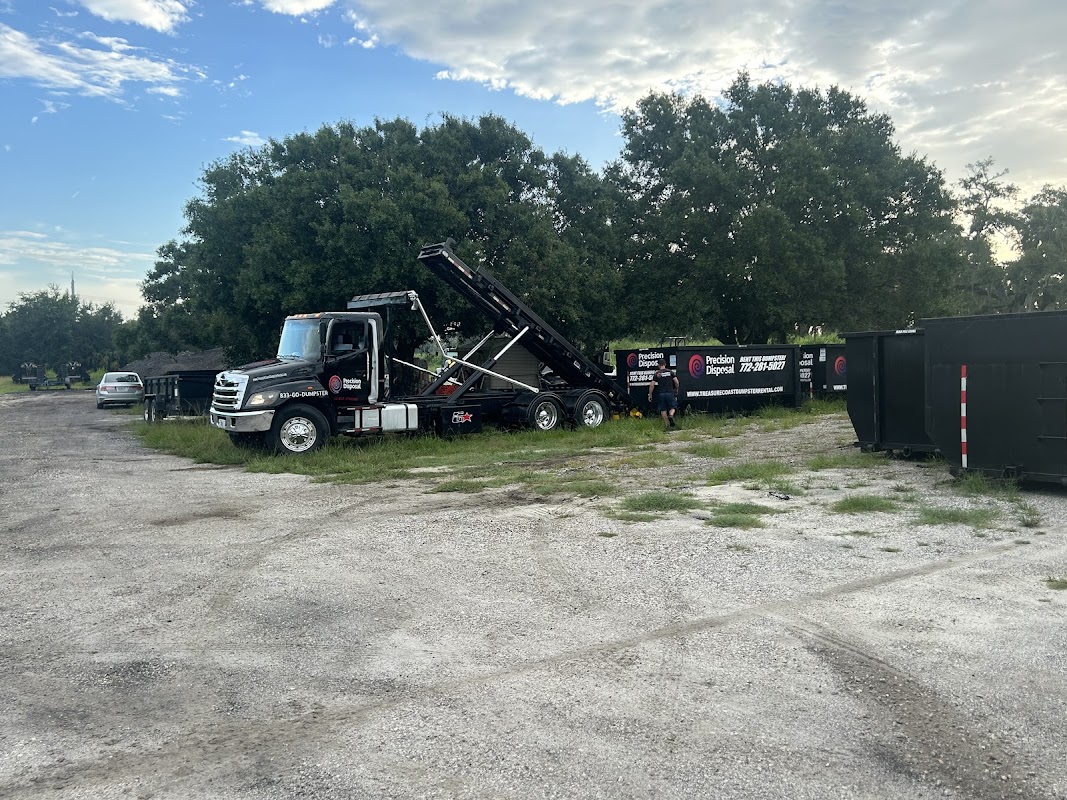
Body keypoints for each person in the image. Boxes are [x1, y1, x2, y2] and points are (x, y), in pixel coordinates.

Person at [648, 358, 679, 430]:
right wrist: (676, 389)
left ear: (658, 365)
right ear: (665, 364)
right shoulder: (670, 372)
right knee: (673, 407)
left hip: (661, 394)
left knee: (663, 410)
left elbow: (652, 385)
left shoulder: (657, 374)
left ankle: (667, 426)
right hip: (670, 393)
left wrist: (650, 394)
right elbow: (676, 382)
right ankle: (671, 415)